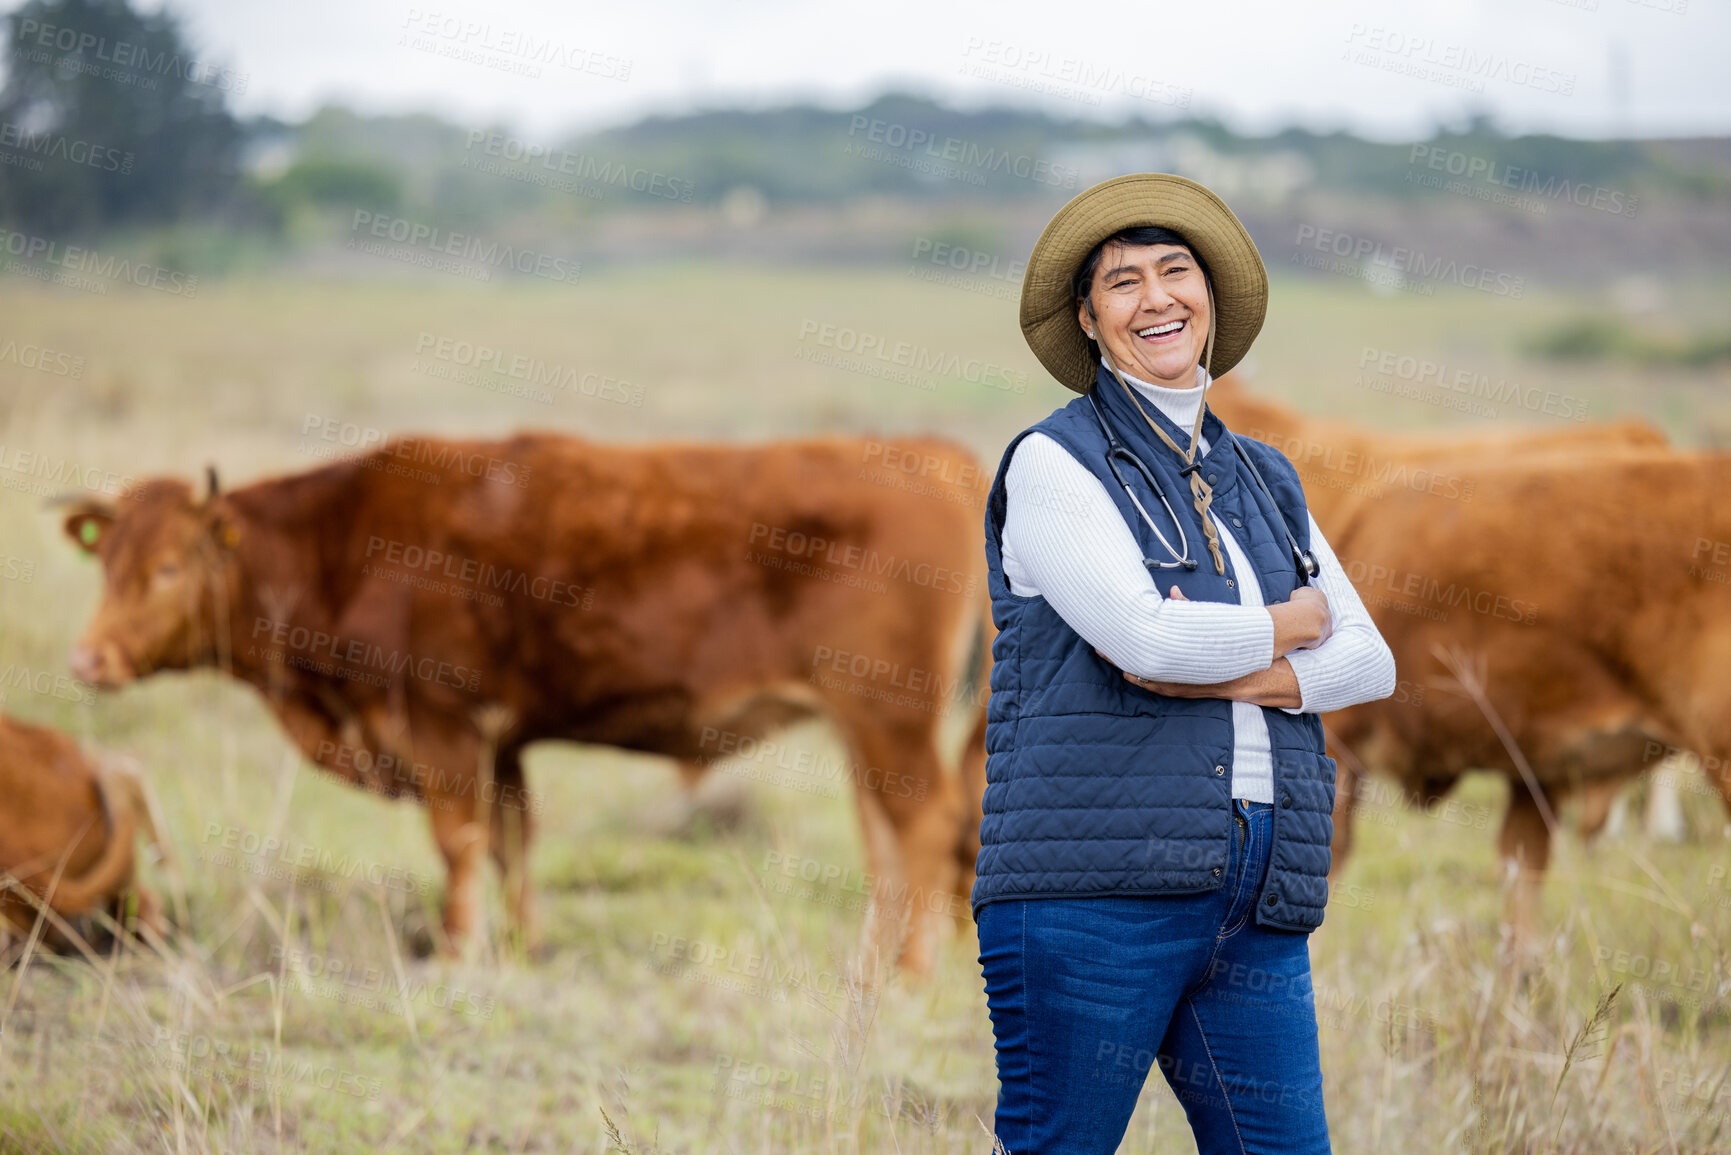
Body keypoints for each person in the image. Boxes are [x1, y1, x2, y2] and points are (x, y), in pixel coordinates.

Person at [973, 172, 1397, 1154]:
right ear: (1087, 318)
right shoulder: (1055, 463)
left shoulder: (1266, 476)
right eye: (1122, 282)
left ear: (1209, 297)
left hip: (1258, 883)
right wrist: (1294, 620)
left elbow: (1369, 658)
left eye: (1176, 271)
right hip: (1093, 890)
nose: (1156, 298)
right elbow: (1148, 641)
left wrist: (1239, 663)